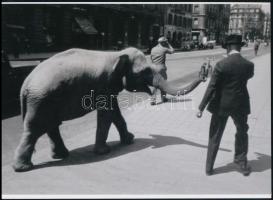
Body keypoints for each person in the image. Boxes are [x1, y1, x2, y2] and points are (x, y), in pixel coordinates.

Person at [196, 34, 254, 176]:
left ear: (228, 48)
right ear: (240, 47)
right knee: (242, 132)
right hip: (241, 104)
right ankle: (241, 162)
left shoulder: (221, 65)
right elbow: (248, 76)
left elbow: (212, 87)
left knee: (215, 135)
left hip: (221, 104)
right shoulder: (249, 65)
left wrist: (201, 107)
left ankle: (209, 168)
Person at [150, 36, 174, 105]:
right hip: (161, 68)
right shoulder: (164, 49)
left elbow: (151, 58)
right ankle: (163, 98)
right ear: (164, 42)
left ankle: (153, 100)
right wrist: (168, 44)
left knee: (155, 83)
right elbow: (172, 51)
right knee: (163, 83)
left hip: (153, 67)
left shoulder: (153, 49)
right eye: (165, 41)